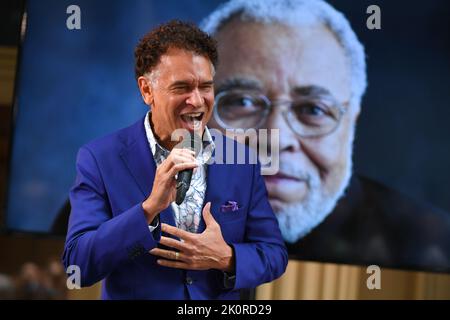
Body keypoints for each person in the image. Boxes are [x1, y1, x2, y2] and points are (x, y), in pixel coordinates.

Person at [201, 0, 450, 272]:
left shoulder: (431, 252)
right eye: (242, 103)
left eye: (313, 109)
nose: (277, 140)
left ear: (351, 123)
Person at [62, 20, 287, 299]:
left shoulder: (242, 160)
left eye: (205, 86)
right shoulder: (99, 158)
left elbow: (274, 255)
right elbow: (78, 265)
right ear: (147, 90)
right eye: (182, 87)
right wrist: (147, 210)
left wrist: (227, 257)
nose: (197, 100)